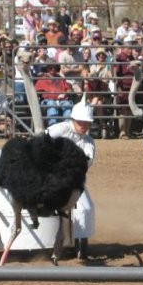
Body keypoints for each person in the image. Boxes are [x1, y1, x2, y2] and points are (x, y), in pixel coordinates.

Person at [45, 98, 96, 260]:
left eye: (86, 122)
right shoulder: (59, 129)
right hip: (48, 177)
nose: (83, 125)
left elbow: (86, 163)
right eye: (80, 121)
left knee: (83, 208)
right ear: (73, 119)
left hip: (73, 183)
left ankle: (80, 240)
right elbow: (42, 142)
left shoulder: (89, 143)